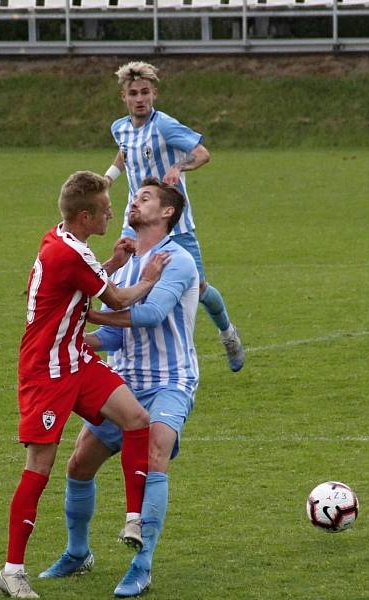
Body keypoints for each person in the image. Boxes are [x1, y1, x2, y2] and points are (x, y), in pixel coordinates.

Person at [0, 171, 170, 600]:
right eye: (107, 207)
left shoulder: (64, 242)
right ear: (87, 215)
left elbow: (84, 281)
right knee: (41, 466)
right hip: (46, 372)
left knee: (136, 418)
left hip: (75, 358)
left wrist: (112, 263)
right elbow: (117, 300)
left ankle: (133, 518)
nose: (114, 210)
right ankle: (12, 569)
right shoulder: (69, 254)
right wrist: (147, 276)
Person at [38, 178, 200, 598]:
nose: (133, 202)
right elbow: (115, 337)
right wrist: (66, 339)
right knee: (78, 466)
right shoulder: (126, 263)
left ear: (167, 213)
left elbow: (148, 315)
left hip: (170, 380)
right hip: (124, 380)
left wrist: (89, 318)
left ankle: (141, 566)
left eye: (145, 197)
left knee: (154, 455)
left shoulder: (177, 261)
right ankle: (77, 553)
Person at [104, 61, 245, 373]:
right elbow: (125, 153)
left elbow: (203, 153)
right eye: (133, 93)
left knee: (199, 289)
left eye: (144, 92)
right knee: (130, 281)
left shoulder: (164, 125)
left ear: (154, 94)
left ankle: (228, 333)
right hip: (137, 223)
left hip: (176, 225)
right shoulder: (120, 128)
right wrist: (108, 180)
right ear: (123, 98)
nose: (139, 98)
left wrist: (179, 167)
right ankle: (127, 360)